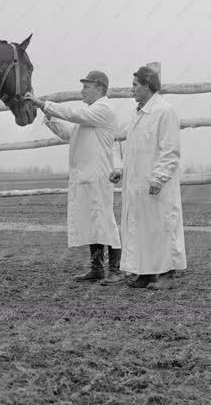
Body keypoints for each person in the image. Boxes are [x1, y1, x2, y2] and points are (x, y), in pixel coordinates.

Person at [25, 71, 123, 284]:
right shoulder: (89, 116)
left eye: (86, 86)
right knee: (92, 223)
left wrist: (43, 104)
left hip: (98, 177)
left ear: (99, 88)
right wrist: (48, 115)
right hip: (86, 176)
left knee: (105, 222)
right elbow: (69, 133)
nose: (82, 91)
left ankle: (115, 270)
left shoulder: (103, 109)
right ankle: (97, 268)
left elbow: (73, 114)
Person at [109, 66, 186, 290]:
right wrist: (120, 169)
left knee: (162, 225)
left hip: (155, 184)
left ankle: (166, 274)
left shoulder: (164, 111)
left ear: (147, 85)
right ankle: (145, 271)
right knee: (140, 226)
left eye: (135, 85)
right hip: (135, 183)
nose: (131, 89)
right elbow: (131, 150)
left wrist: (159, 178)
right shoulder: (138, 114)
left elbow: (170, 149)